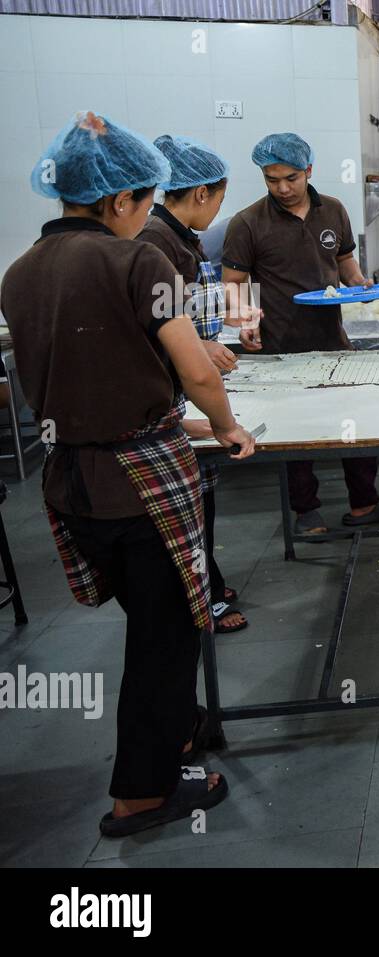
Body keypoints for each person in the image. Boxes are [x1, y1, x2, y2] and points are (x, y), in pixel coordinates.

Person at [0, 111, 257, 837]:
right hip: (138, 481)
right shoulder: (134, 260)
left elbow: (95, 367)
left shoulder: (18, 272)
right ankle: (142, 794)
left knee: (151, 623)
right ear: (117, 201)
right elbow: (197, 366)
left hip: (72, 481)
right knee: (165, 631)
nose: (149, 215)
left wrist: (178, 417)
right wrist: (229, 425)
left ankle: (174, 736)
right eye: (147, 200)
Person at [221, 132, 379, 535]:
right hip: (280, 345)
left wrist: (362, 284)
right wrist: (246, 320)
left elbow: (345, 262)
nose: (282, 188)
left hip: (332, 340)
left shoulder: (334, 212)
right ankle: (305, 511)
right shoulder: (248, 223)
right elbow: (233, 282)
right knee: (293, 430)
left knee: (352, 420)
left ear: (309, 171)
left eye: (290, 178)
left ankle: (364, 503)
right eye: (272, 180)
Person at [136, 134, 251, 634]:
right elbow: (154, 327)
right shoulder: (154, 242)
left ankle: (210, 580)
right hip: (168, 390)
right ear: (202, 193)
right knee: (187, 510)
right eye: (220, 198)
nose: (218, 210)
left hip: (181, 386)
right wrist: (201, 353)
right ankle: (203, 600)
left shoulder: (179, 236)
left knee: (199, 498)